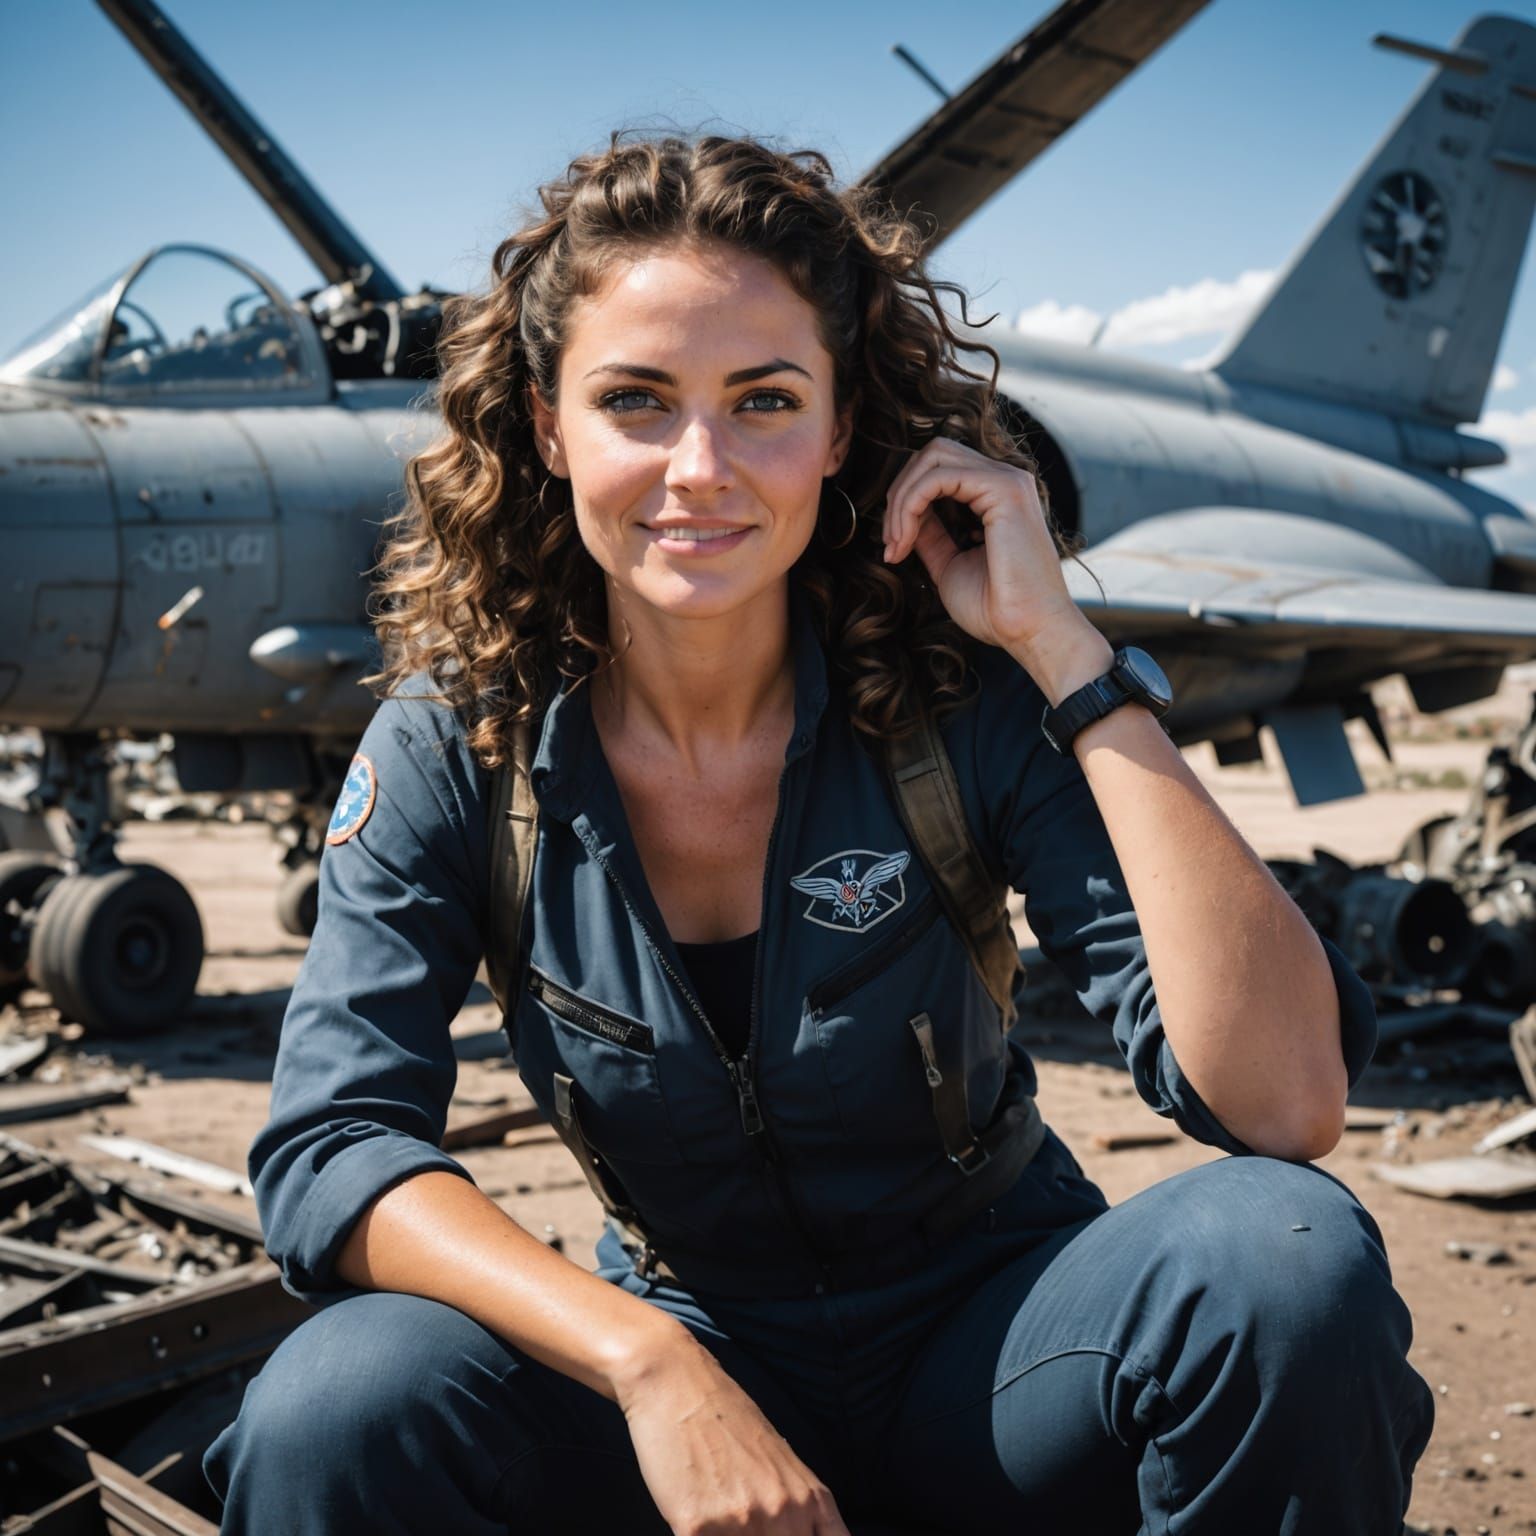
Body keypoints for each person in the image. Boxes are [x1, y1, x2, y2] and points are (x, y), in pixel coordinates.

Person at [204, 132, 1434, 1534]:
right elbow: (333, 1150)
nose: (701, 466)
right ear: (549, 428)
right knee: (335, 1408)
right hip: (688, 1349)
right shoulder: (458, 743)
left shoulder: (953, 700)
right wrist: (650, 1362)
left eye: (765, 400)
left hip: (1001, 1350)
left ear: (841, 431)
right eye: (637, 401)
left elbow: (1282, 1104)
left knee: (1281, 1259)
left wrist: (1069, 659)